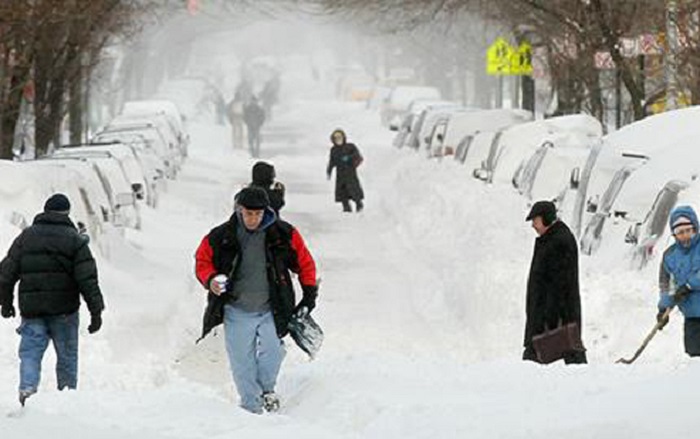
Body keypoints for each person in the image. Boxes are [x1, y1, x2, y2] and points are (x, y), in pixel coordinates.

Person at [194, 187, 318, 414]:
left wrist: (309, 294)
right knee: (242, 360)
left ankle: (266, 389)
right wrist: (211, 279)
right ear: (239, 210)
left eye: (258, 214)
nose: (253, 219)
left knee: (274, 350)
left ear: (266, 212)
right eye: (248, 213)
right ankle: (251, 405)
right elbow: (202, 261)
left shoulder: (283, 234)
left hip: (272, 308)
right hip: (236, 308)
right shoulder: (221, 236)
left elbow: (305, 262)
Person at [0, 194, 105, 406]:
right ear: (66, 213)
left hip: (33, 311)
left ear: (44, 211)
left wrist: (6, 302)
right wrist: (96, 312)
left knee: (30, 353)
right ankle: (66, 399)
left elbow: (6, 272)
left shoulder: (26, 238)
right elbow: (87, 279)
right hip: (65, 311)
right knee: (67, 357)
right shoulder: (75, 240)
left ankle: (27, 389)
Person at [523, 200, 587, 364]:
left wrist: (549, 318)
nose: (533, 225)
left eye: (535, 220)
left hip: (553, 318)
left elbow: (560, 286)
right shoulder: (552, 238)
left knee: (562, 355)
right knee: (566, 356)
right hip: (547, 317)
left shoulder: (559, 242)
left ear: (545, 218)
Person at [656, 205, 700, 356]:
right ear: (674, 234)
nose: (685, 236)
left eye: (689, 231)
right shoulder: (670, 256)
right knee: (694, 357)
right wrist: (663, 309)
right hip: (692, 316)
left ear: (695, 228)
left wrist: (689, 285)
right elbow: (667, 285)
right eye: (680, 232)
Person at [326, 129, 364, 213]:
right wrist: (329, 171)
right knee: (342, 191)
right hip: (340, 174)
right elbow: (332, 161)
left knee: (353, 189)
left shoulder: (350, 146)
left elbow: (357, 155)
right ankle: (346, 207)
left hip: (350, 172)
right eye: (336, 138)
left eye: (340, 137)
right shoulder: (333, 150)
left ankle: (359, 204)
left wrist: (349, 158)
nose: (338, 139)